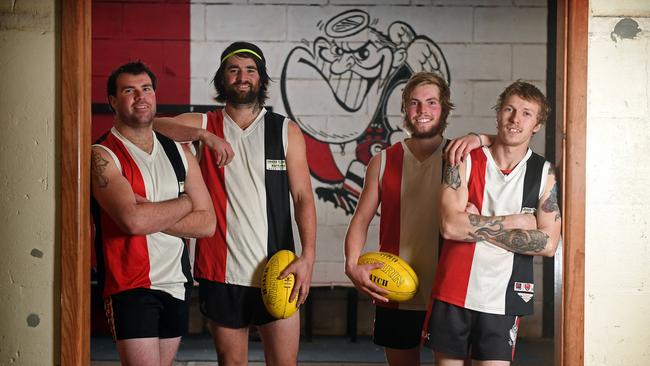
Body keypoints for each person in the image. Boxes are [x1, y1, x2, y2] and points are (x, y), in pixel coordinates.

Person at [154, 41, 316, 366]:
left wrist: (308, 258)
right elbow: (152, 125)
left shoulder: (285, 130)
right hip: (220, 271)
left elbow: (303, 198)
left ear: (261, 79)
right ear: (222, 79)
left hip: (279, 268)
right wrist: (204, 138)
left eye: (250, 70)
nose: (242, 77)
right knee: (231, 363)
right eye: (234, 70)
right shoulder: (204, 123)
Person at [426, 80, 562, 365]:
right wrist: (517, 221)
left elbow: (548, 244)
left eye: (526, 113)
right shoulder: (463, 157)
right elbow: (450, 226)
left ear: (537, 124)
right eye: (509, 109)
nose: (515, 119)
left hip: (504, 297)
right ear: (498, 113)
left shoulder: (544, 172)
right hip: (454, 291)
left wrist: (473, 223)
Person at [91, 61, 216, 366]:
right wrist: (187, 201)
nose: (140, 96)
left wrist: (150, 212)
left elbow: (208, 224)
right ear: (113, 101)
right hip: (130, 285)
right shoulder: (102, 155)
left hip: (176, 281)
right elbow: (133, 222)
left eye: (146, 89)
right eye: (129, 90)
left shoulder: (178, 151)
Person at [344, 71, 458, 366]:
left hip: (450, 290)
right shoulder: (383, 160)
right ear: (405, 109)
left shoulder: (460, 157)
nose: (422, 111)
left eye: (431, 103)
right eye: (414, 103)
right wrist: (352, 264)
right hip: (396, 287)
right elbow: (360, 220)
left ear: (444, 108)